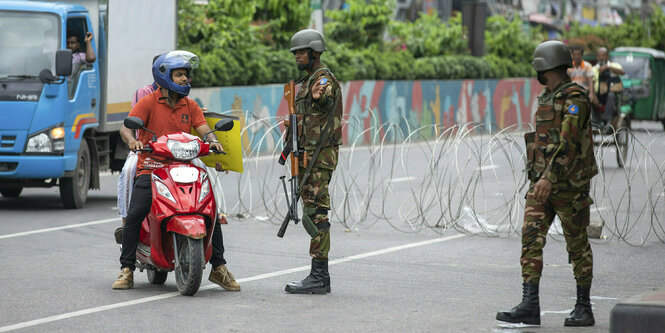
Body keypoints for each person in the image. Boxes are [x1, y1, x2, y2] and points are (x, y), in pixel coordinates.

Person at [112, 50, 239, 292]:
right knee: (136, 212)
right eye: (179, 75)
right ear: (164, 76)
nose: (185, 79)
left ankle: (219, 267)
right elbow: (126, 128)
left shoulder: (190, 105)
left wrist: (212, 141)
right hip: (152, 167)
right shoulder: (148, 102)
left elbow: (204, 129)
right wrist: (132, 141)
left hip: (185, 166)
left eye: (186, 75)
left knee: (209, 211)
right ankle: (126, 268)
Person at [496, 41, 598, 327]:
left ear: (546, 65)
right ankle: (530, 305)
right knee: (530, 238)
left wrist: (548, 178)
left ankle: (584, 307)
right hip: (542, 184)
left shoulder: (574, 98)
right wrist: (540, 177)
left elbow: (567, 144)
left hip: (568, 186)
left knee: (577, 245)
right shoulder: (547, 97)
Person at [282, 29, 343, 295]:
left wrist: (322, 97)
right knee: (312, 210)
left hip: (320, 156)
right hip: (307, 155)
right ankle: (321, 275)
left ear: (315, 53)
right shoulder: (305, 82)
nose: (296, 56)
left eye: (301, 52)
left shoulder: (322, 80)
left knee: (317, 213)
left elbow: (328, 99)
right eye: (295, 52)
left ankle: (319, 276)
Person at [592, 47, 625, 128]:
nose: (601, 58)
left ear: (607, 56)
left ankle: (605, 120)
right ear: (597, 57)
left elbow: (622, 72)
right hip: (598, 95)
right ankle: (593, 122)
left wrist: (607, 67)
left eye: (603, 55)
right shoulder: (593, 69)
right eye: (599, 56)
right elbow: (591, 83)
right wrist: (594, 96)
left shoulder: (614, 65)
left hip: (612, 95)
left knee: (611, 95)